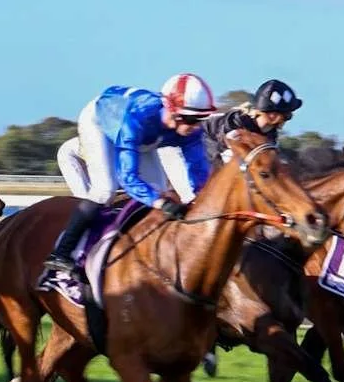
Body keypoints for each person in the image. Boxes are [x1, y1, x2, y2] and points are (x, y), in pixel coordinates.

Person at [42, 74, 216, 299]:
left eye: (200, 119)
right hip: (101, 122)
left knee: (159, 189)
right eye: (191, 120)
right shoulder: (137, 118)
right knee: (105, 188)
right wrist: (160, 202)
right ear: (172, 110)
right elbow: (128, 177)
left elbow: (198, 175)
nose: (196, 126)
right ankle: (61, 253)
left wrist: (201, 201)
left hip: (148, 136)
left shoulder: (190, 130)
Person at [206, 79, 304, 151]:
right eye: (287, 116)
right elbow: (225, 153)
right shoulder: (236, 123)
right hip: (201, 139)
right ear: (272, 115)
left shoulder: (271, 135)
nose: (288, 119)